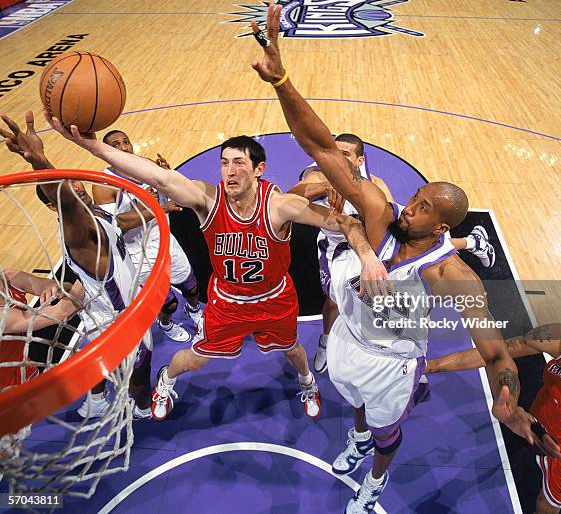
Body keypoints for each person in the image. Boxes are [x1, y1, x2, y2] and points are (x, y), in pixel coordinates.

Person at [250, 4, 541, 513]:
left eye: (424, 207)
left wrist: (507, 393)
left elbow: (495, 353)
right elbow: (322, 147)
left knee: (387, 434)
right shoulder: (381, 215)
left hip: (392, 363)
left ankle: (376, 480)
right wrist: (282, 82)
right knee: (356, 408)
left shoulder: (451, 275)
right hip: (348, 342)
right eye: (416, 197)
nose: (410, 205)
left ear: (444, 228)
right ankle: (358, 437)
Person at [45, 115, 357, 423]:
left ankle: (306, 382)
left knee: (292, 350)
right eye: (224, 163)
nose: (229, 171)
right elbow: (160, 178)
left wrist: (366, 251)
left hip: (273, 298)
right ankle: (166, 379)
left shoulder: (277, 205)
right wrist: (94, 147)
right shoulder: (208, 199)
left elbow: (338, 220)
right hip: (228, 301)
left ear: (259, 170)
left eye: (238, 163)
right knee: (196, 357)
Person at [290, 133, 495, 373]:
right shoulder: (319, 174)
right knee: (334, 301)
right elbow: (287, 199)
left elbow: (400, 228)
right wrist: (325, 186)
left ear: (360, 161)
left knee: (389, 291)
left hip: (371, 246)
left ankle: (473, 242)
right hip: (338, 248)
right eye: (334, 153)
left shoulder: (375, 185)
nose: (337, 159)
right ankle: (327, 340)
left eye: (344, 154)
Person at [1, 112, 155, 420]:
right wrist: (39, 161)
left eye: (76, 182)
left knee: (99, 353)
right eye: (70, 186)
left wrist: (157, 204)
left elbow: (120, 221)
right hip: (117, 323)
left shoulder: (96, 212)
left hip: (113, 307)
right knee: (139, 373)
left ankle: (97, 398)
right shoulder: (79, 233)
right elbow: (67, 200)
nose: (79, 187)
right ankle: (140, 407)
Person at [426, 309, 561, 513]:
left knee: (545, 504)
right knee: (518, 445)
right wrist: (432, 366)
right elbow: (498, 353)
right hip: (543, 414)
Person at [95, 130, 202, 343]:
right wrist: (154, 208)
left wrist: (167, 174)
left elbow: (171, 192)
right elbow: (115, 227)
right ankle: (166, 323)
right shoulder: (103, 185)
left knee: (192, 287)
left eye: (126, 141)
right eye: (116, 145)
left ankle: (194, 311)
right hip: (137, 253)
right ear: (107, 151)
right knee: (168, 303)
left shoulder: (144, 165)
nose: (124, 147)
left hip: (164, 239)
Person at [0, 269, 84, 459]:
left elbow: (41, 285)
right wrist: (89, 277)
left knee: (12, 445)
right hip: (4, 396)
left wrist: (54, 288)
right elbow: (62, 312)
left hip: (20, 376)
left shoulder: (9, 278)